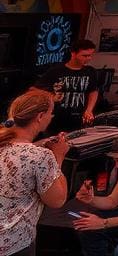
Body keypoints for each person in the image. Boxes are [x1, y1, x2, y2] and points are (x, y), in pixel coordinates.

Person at [0, 91, 69, 256]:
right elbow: (57, 200)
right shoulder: (40, 156)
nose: (51, 117)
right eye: (50, 113)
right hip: (14, 243)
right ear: (40, 116)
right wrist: (58, 157)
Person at [33, 38, 99, 132]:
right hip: (56, 118)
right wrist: (51, 96)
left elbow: (93, 91)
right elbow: (34, 89)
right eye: (84, 56)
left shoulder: (90, 71)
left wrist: (89, 110)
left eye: (90, 55)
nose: (88, 58)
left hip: (78, 118)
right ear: (73, 54)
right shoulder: (56, 70)